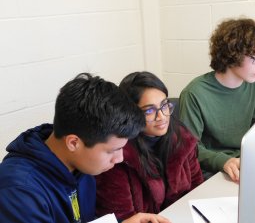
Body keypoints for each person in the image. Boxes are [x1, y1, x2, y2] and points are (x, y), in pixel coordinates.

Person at [0, 73, 171, 223]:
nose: (119, 159)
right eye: (112, 151)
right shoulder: (20, 191)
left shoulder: (79, 163)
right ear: (73, 143)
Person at [179, 17, 255, 182]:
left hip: (245, 162)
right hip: (213, 170)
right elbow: (188, 149)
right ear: (233, 55)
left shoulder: (252, 83)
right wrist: (223, 161)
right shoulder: (194, 93)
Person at [95, 71, 204, 220]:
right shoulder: (119, 155)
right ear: (131, 113)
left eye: (164, 105)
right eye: (150, 110)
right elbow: (122, 217)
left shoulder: (181, 137)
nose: (162, 117)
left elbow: (197, 190)